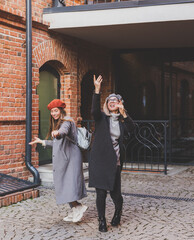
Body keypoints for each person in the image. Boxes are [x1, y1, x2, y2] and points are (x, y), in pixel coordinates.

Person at [89, 75, 135, 232]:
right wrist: (97, 90)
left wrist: (124, 114)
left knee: (115, 194)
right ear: (107, 105)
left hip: (115, 161)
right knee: (100, 193)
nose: (112, 102)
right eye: (109, 101)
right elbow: (94, 110)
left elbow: (132, 129)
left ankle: (118, 213)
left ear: (120, 103)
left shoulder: (122, 122)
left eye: (115, 100)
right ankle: (101, 220)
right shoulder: (101, 118)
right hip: (100, 161)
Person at [29, 99, 88, 223]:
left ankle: (78, 207)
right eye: (51, 111)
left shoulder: (66, 121)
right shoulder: (59, 122)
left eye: (55, 111)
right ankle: (74, 209)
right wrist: (42, 141)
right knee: (64, 184)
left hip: (71, 158)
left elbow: (62, 133)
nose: (53, 113)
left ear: (61, 110)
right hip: (66, 157)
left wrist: (57, 132)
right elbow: (57, 142)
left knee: (67, 185)